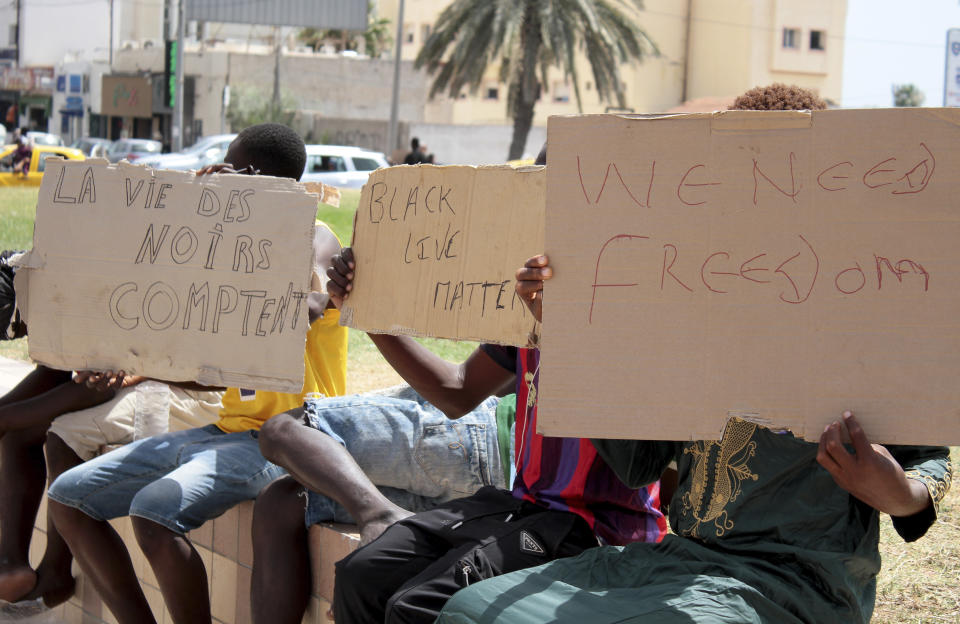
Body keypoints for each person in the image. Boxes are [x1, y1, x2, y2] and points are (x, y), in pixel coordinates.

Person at [434, 84, 954, 624]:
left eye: (782, 177)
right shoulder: (696, 306)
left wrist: (897, 493)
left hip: (800, 585)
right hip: (685, 563)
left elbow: (925, 474)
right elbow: (638, 462)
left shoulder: (871, 315)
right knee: (469, 611)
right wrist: (571, 332)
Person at [326, 146, 666, 624]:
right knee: (363, 573)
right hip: (523, 506)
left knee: (416, 607)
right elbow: (458, 390)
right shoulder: (528, 304)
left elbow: (643, 458)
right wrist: (368, 313)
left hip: (597, 526)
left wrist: (571, 334)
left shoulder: (643, 309)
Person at [47, 123, 348, 624]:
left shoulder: (316, 236)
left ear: (249, 174)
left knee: (153, 511)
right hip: (228, 430)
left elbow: (303, 306)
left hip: (290, 437)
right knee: (69, 498)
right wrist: (132, 365)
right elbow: (213, 372)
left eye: (229, 167)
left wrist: (231, 226)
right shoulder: (225, 255)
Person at [0, 250, 222, 610]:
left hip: (191, 389)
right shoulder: (66, 281)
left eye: (26, 331)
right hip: (145, 374)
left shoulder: (96, 285)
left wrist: (8, 418)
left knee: (64, 436)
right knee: (20, 431)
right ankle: (13, 564)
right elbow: (59, 375)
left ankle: (55, 568)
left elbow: (97, 386)